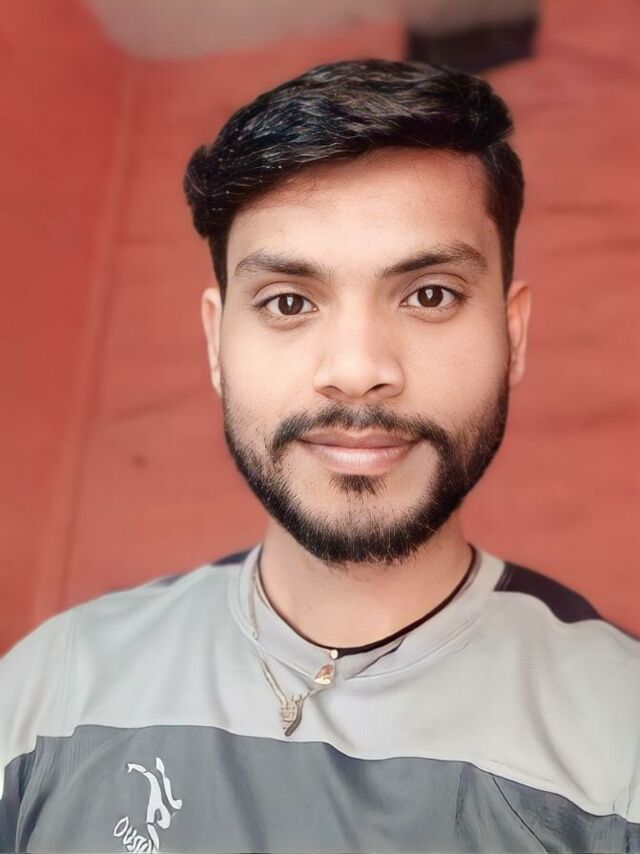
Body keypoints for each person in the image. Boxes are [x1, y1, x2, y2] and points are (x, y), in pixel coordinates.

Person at [1, 58, 638, 854]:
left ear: (512, 335)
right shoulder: (51, 691)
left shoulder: (622, 738)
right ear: (216, 342)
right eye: (289, 302)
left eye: (430, 295)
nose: (357, 368)